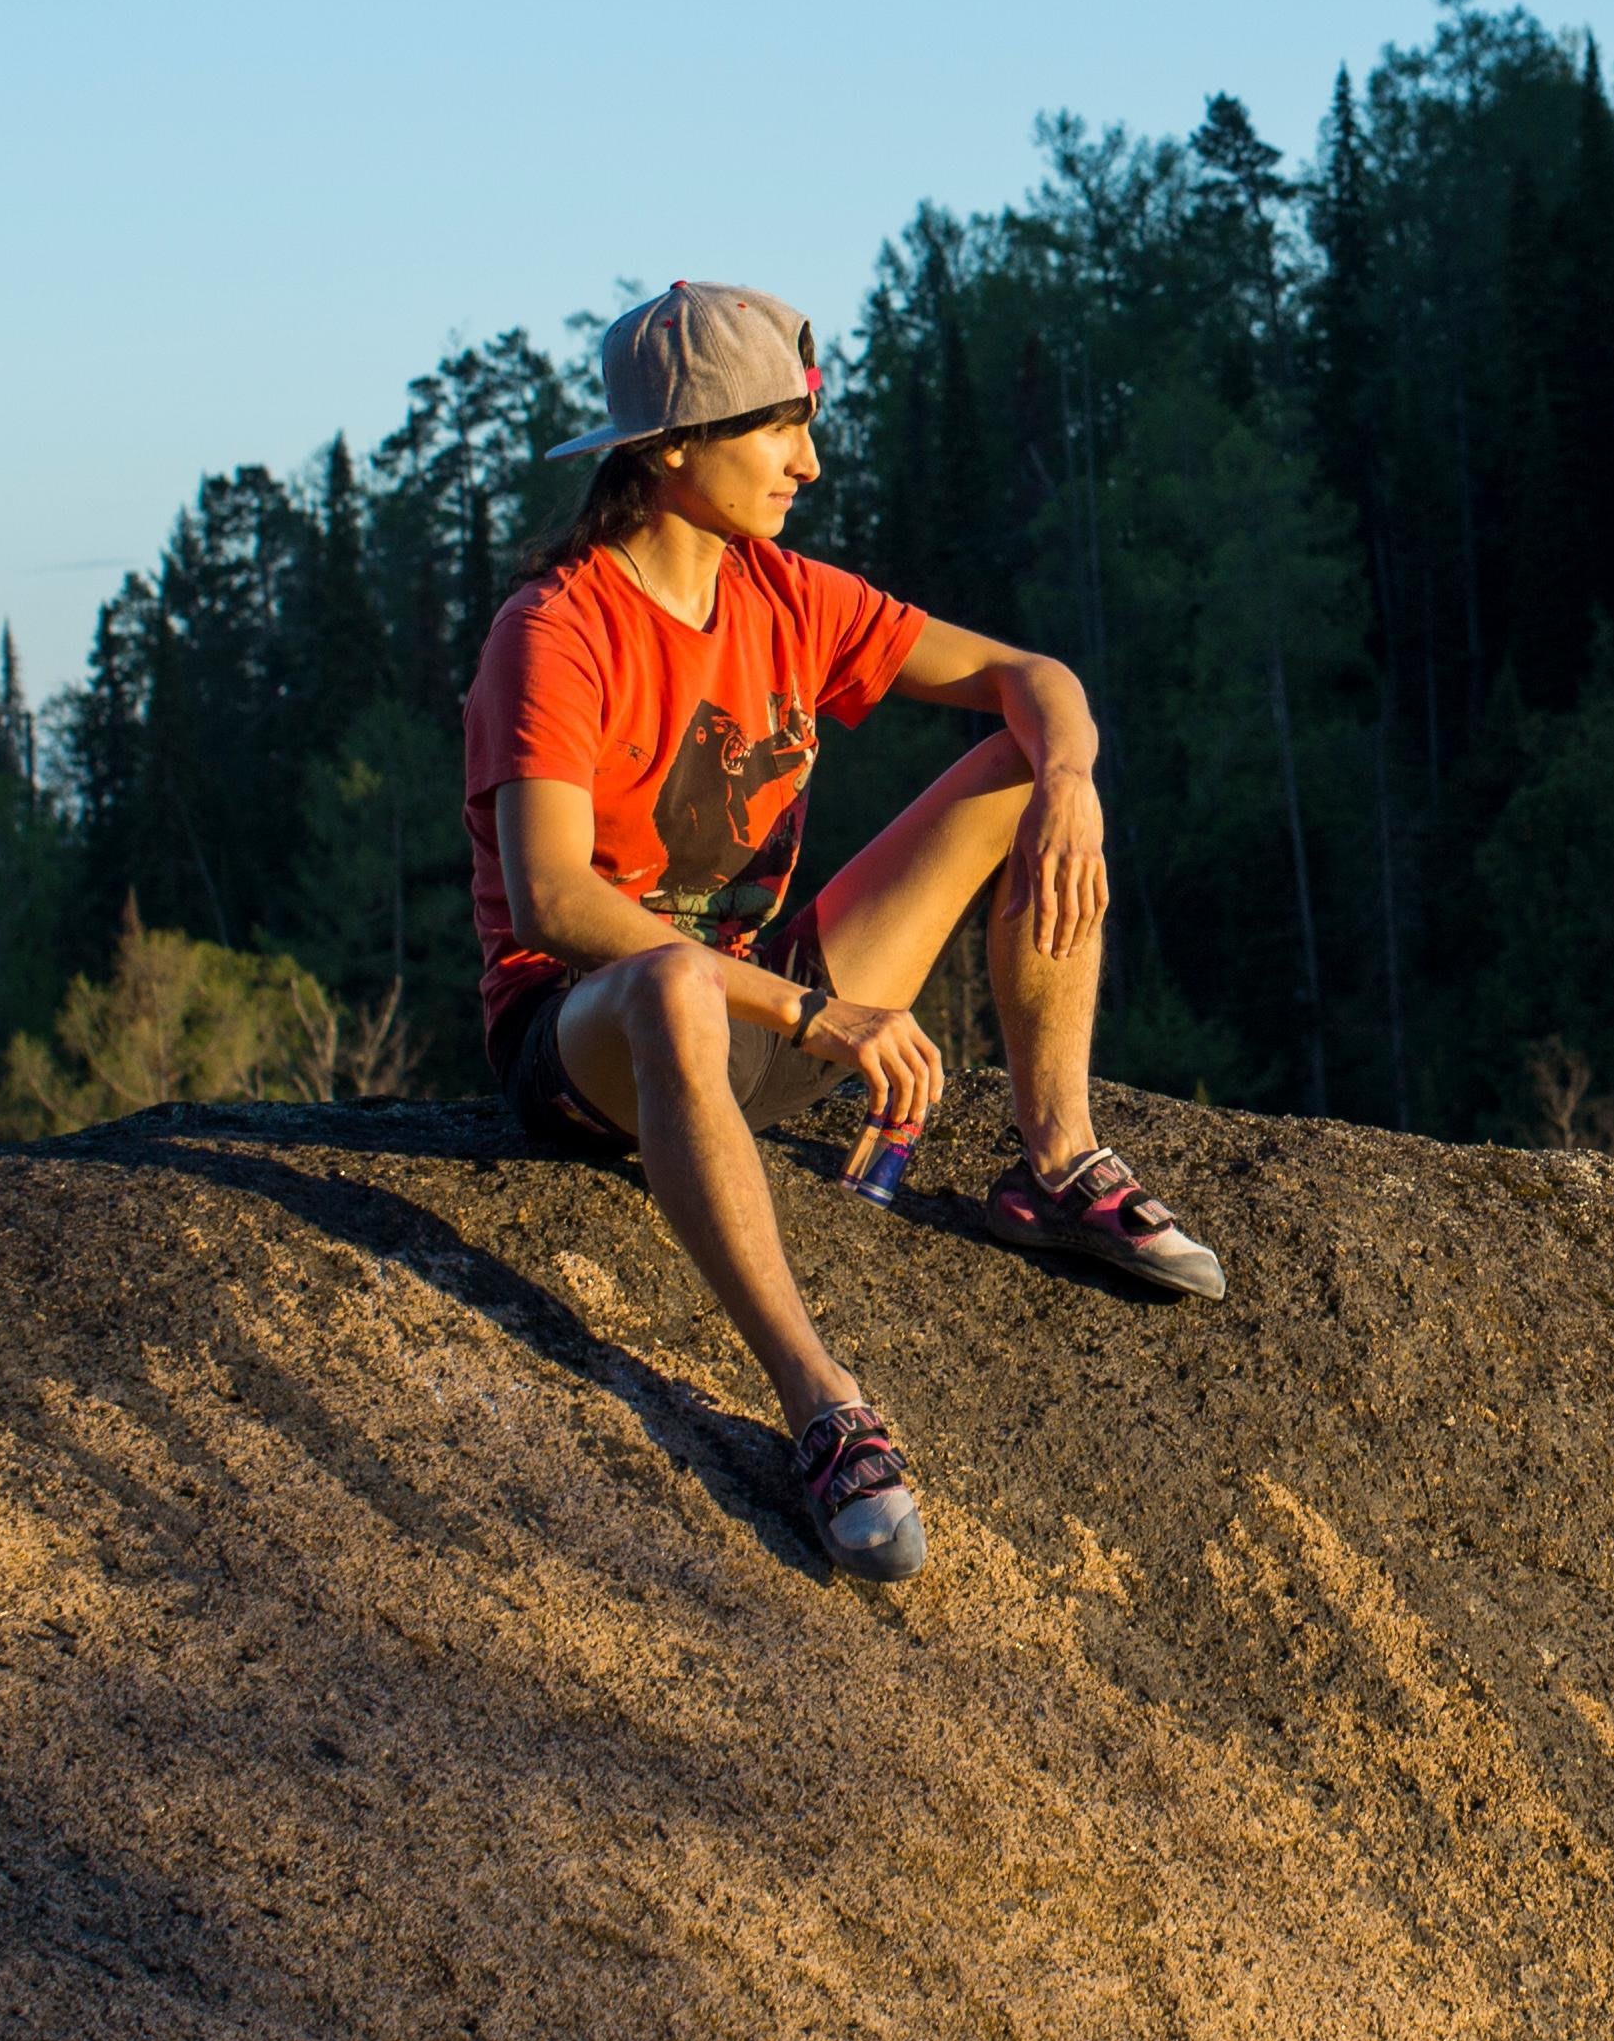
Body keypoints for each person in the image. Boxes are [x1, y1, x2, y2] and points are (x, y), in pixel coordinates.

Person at [460, 279, 1223, 1583]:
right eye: (779, 432)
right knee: (673, 988)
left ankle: (1055, 1162)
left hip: (757, 1008)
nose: (810, 461)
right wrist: (814, 1013)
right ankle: (824, 1409)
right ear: (677, 447)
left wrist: (1071, 780)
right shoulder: (557, 627)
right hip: (587, 1039)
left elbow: (1033, 681)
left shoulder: (782, 594)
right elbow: (555, 902)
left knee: (1012, 770)